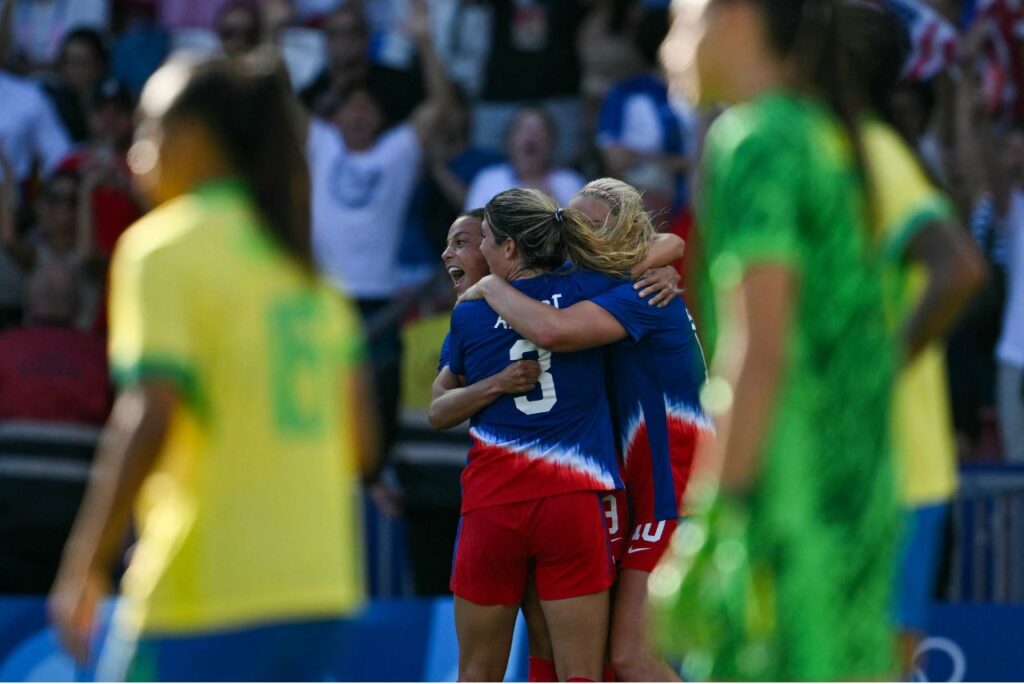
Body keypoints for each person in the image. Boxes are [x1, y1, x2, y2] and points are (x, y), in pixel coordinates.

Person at [48, 51, 378, 681]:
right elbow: (360, 446)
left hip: (208, 590)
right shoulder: (312, 280)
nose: (136, 154)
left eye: (147, 130)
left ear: (192, 139)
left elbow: (148, 415)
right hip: (322, 588)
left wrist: (84, 562)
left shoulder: (162, 248)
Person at [651, 0, 899, 679]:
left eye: (681, 21)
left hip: (787, 511)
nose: (666, 48)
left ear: (734, 18)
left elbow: (758, 352)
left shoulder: (756, 143)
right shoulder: (819, 136)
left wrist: (709, 526)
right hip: (853, 500)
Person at [461, 178, 708, 682]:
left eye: (592, 225)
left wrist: (489, 287)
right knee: (575, 652)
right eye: (573, 225)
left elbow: (555, 331)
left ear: (626, 230)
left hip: (672, 492)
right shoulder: (593, 284)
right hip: (624, 491)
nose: (577, 236)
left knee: (629, 657)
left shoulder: (638, 294)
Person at [834, 3, 987, 672]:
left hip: (891, 468)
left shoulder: (877, 158)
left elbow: (959, 268)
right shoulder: (843, 158)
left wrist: (873, 372)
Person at [444, 188, 644, 682]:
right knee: (579, 674)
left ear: (509, 248)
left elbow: (439, 404)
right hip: (572, 503)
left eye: (487, 238)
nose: (481, 251)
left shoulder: (469, 314)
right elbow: (658, 253)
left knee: (476, 673)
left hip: (493, 505)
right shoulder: (590, 290)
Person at [307, 0, 450, 500]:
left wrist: (426, 42)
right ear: (337, 113)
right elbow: (275, 99)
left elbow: (439, 108)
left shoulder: (396, 151)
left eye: (369, 107)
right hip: (325, 298)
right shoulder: (319, 143)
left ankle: (374, 479)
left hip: (379, 303)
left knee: (382, 392)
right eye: (352, 106)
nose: (361, 113)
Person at [0, 260, 110, 425]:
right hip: (85, 447)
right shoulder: (102, 354)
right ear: (78, 304)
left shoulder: (4, 347)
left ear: (29, 299)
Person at [300, 3, 424, 124]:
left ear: (367, 37)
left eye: (352, 32)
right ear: (326, 41)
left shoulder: (400, 85)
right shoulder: (311, 97)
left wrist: (426, 43)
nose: (344, 40)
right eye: (335, 33)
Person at [465, 107, 585, 211]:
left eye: (540, 130)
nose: (531, 135)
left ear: (553, 141)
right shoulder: (488, 180)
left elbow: (581, 234)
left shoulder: (570, 182)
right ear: (509, 140)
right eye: (522, 128)